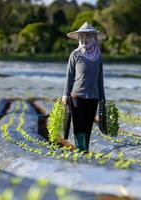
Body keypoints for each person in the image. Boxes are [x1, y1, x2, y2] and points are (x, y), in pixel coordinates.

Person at [62, 22, 106, 152]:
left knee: (87, 126)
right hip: (77, 96)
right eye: (82, 37)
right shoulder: (75, 55)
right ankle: (81, 150)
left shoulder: (98, 57)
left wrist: (102, 98)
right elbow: (69, 77)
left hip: (93, 97)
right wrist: (65, 95)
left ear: (94, 38)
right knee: (79, 126)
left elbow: (100, 79)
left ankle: (84, 149)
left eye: (88, 36)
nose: (84, 39)